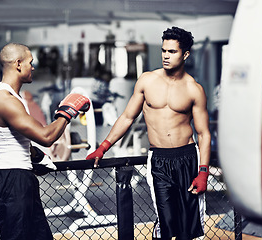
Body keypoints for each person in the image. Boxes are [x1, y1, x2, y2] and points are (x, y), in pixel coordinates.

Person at [86, 27, 211, 240]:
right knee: (165, 221)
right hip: (160, 159)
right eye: (164, 50)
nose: (165, 55)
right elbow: (127, 117)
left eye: (172, 51)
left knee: (189, 227)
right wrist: (103, 147)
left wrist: (203, 172)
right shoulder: (147, 81)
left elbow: (203, 133)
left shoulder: (194, 89)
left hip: (188, 157)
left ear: (185, 54)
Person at [0, 43, 90, 240]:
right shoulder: (5, 100)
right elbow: (46, 137)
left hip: (21, 177)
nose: (33, 67)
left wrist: (35, 156)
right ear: (18, 64)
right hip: (12, 179)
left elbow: (12, 139)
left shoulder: (15, 97)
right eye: (30, 62)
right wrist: (67, 111)